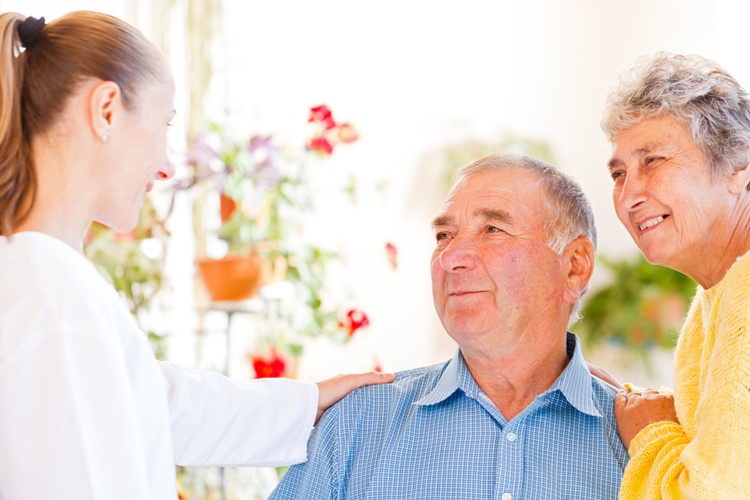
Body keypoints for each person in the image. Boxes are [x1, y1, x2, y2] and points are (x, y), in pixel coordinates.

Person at [0, 11, 393, 499]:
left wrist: (306, 403)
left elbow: (154, 403)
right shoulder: (53, 299)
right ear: (105, 110)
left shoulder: (41, 281)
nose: (166, 166)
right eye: (164, 122)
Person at [271, 153, 628, 499]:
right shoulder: (356, 423)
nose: (451, 257)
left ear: (574, 267)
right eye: (444, 236)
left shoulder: (643, 442)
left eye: (492, 229)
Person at [603, 52, 750, 498]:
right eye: (618, 173)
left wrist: (650, 433)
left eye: (653, 161)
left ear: (737, 166)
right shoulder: (712, 302)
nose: (629, 196)